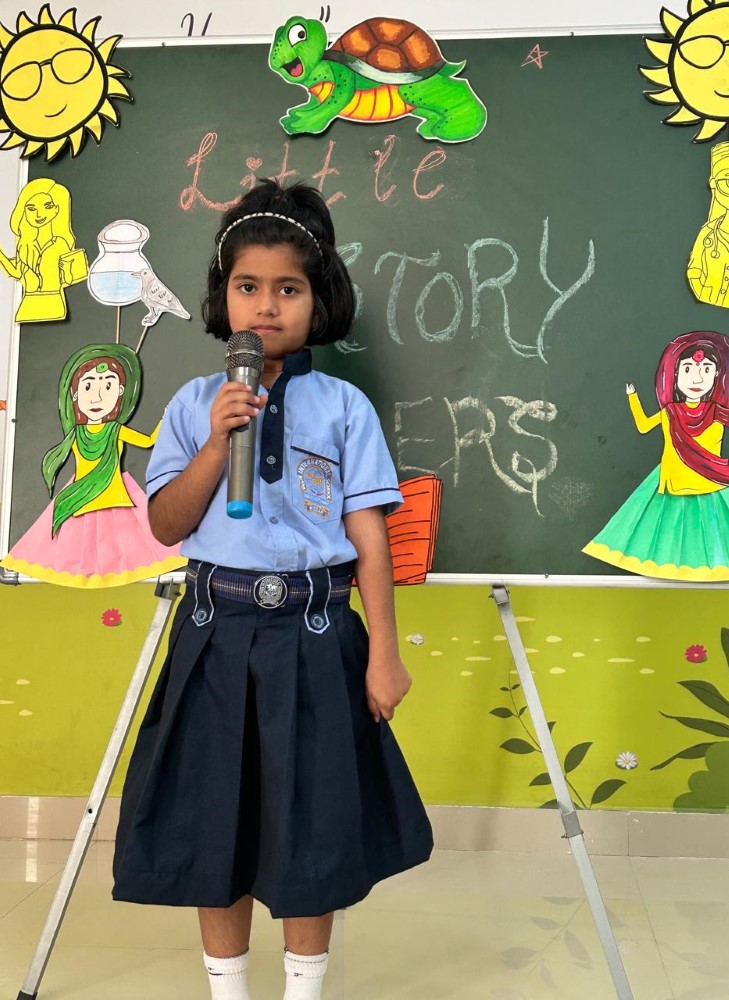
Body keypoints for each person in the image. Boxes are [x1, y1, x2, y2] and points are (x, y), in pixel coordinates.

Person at [112, 179, 433, 1000]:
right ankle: (229, 990)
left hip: (317, 635)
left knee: (312, 827)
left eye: (287, 289)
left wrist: (385, 654)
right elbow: (166, 525)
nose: (265, 306)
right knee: (214, 824)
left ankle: (303, 989)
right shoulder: (194, 404)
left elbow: (369, 537)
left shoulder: (345, 408)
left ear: (318, 300)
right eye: (247, 286)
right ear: (222, 296)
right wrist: (216, 442)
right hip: (215, 635)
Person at [0, 342, 186, 587]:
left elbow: (148, 440)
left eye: (108, 386)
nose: (97, 396)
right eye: (88, 386)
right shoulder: (76, 434)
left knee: (134, 546)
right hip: (80, 497)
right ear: (75, 395)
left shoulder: (115, 429)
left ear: (120, 393)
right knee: (69, 550)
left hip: (115, 494)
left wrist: (166, 417)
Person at [583, 330, 729, 581]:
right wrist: (632, 398)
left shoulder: (718, 412)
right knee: (659, 540)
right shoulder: (670, 411)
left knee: (721, 542)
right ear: (675, 374)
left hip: (710, 486)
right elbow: (643, 426)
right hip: (672, 482)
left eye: (706, 370)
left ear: (717, 375)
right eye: (688, 369)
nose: (696, 378)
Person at [0, 177, 87, 322]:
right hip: (27, 306)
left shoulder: (61, 244)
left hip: (54, 304)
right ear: (23, 212)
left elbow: (69, 279)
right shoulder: (25, 245)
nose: (39, 214)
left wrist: (66, 269)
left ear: (56, 209)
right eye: (31, 209)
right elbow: (16, 273)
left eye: (47, 206)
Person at [687, 142, 729, 311]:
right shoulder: (708, 232)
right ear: (714, 184)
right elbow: (695, 268)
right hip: (704, 304)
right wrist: (701, 289)